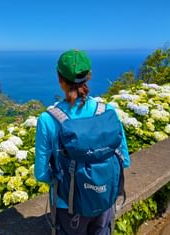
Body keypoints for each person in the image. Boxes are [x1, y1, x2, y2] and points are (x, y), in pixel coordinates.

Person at [35, 49, 130, 235]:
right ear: (89, 76)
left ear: (59, 78)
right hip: (104, 200)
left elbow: (41, 174)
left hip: (68, 205)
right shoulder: (107, 111)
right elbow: (124, 160)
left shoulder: (48, 119)